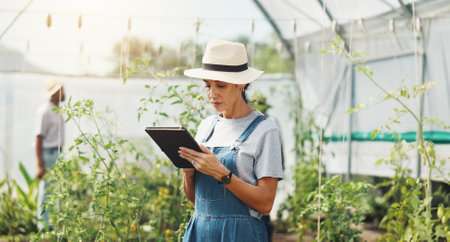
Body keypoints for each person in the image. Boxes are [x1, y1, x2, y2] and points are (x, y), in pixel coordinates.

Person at [179, 39, 283, 241]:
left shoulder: (264, 129)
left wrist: (220, 172)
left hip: (240, 234)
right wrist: (188, 173)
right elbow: (195, 199)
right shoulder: (206, 127)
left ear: (241, 84)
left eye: (221, 85)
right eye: (207, 85)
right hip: (199, 232)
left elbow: (266, 204)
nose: (212, 94)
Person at [249, 91, 285, 242]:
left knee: (264, 208)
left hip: (267, 171)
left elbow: (279, 151)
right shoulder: (251, 124)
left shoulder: (269, 125)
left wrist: (277, 171)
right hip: (253, 173)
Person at [35, 79, 65, 231]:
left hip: (58, 153)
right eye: (61, 90)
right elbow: (38, 137)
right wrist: (40, 165)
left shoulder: (57, 110)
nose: (64, 93)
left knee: (56, 190)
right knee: (46, 189)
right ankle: (43, 226)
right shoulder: (45, 111)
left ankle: (52, 223)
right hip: (48, 153)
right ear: (54, 94)